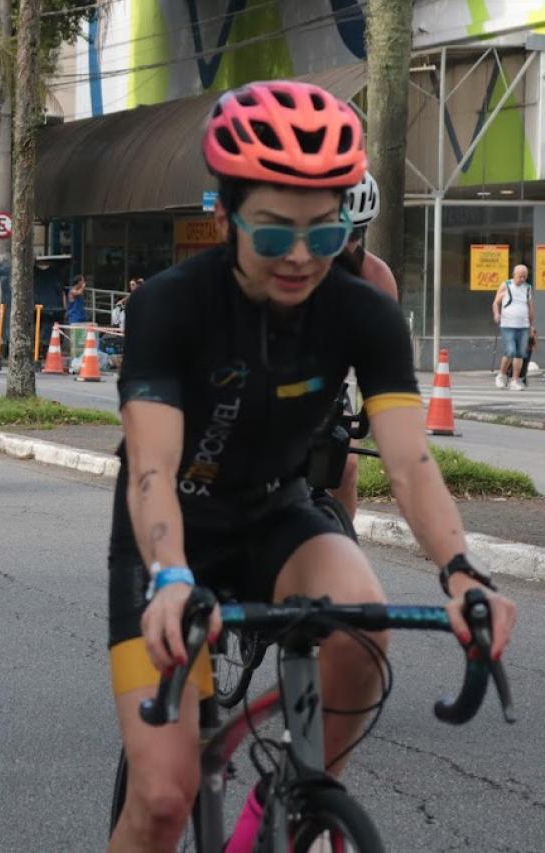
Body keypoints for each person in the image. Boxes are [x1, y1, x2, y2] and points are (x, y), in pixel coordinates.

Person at [108, 80, 515, 853]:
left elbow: (409, 456)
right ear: (224, 218)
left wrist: (463, 571)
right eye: (272, 234)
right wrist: (168, 573)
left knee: (363, 626)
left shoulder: (363, 309)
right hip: (170, 532)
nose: (300, 257)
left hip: (275, 511)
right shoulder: (169, 305)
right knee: (163, 799)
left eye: (323, 235)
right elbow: (151, 465)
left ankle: (292, 797)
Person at [328, 170, 400, 520]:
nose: (345, 245)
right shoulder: (282, 266)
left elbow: (384, 360)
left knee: (346, 468)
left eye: (354, 234)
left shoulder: (377, 277)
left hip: (327, 388)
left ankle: (345, 544)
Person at [492, 264, 534, 391]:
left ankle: (515, 380)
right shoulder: (506, 285)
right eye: (520, 276)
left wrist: (531, 326)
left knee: (520, 354)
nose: (522, 279)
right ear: (513, 275)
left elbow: (530, 307)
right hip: (508, 324)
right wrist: (497, 314)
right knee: (510, 351)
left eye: (525, 277)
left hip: (523, 325)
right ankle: (502, 375)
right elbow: (496, 302)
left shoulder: (528, 288)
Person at [65, 275, 88, 361]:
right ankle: (73, 355)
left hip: (81, 315)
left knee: (81, 338)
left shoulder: (79, 291)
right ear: (78, 282)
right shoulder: (72, 291)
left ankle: (80, 355)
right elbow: (78, 293)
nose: (83, 283)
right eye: (82, 281)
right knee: (74, 337)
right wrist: (82, 287)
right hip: (74, 316)